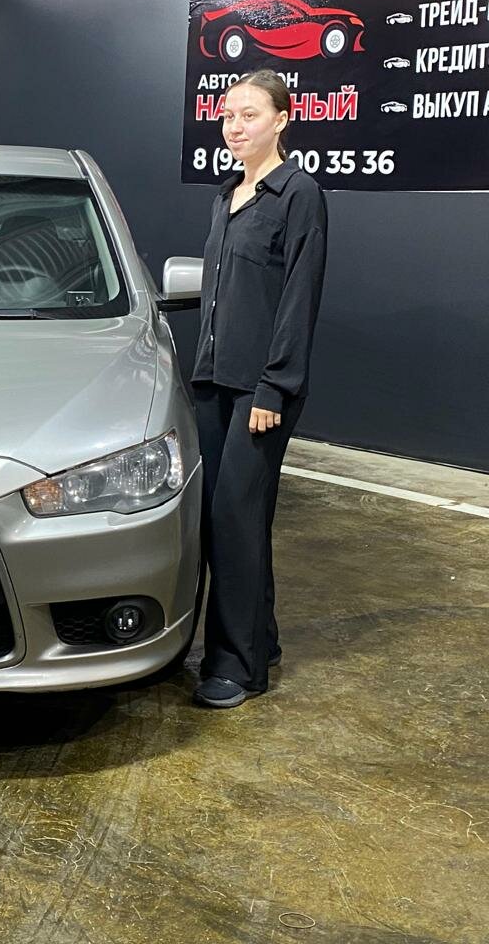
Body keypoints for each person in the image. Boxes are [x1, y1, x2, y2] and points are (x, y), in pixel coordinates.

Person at [190, 69, 328, 708]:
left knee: (235, 517)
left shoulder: (298, 194)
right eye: (227, 115)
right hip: (213, 381)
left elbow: (299, 297)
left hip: (261, 389)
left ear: (282, 119)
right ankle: (259, 639)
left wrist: (275, 387)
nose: (234, 126)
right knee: (228, 520)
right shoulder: (227, 196)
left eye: (249, 115)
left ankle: (237, 666)